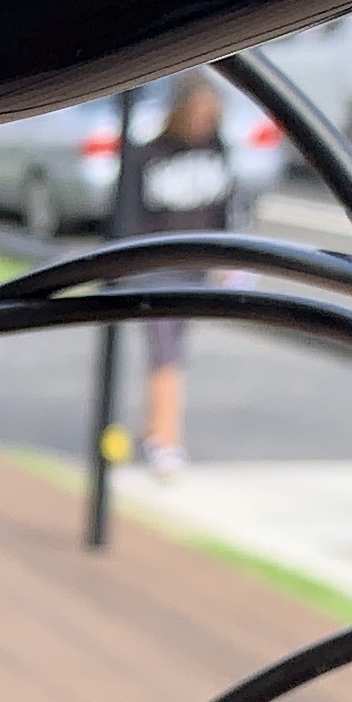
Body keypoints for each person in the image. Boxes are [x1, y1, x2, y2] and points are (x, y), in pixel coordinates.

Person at [131, 75, 238, 475]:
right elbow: (131, 215)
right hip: (155, 271)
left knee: (175, 350)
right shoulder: (149, 155)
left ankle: (153, 430)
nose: (201, 123)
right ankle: (166, 441)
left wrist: (226, 258)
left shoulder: (217, 150)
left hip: (195, 269)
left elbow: (224, 208)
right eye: (196, 114)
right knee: (165, 355)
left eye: (209, 116)